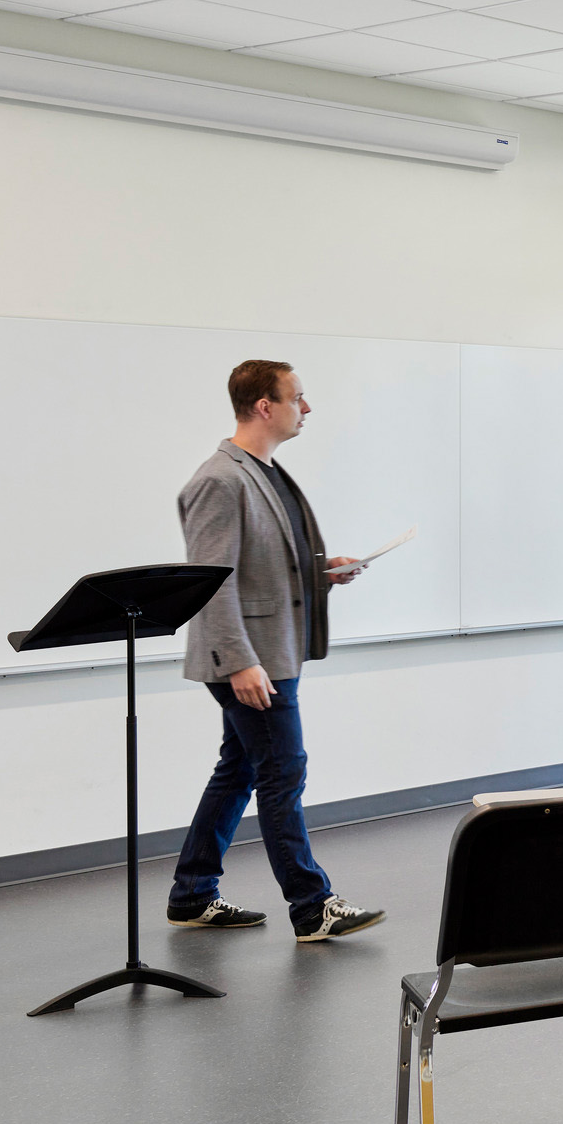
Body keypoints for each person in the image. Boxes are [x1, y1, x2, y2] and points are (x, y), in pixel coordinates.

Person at [165, 359, 385, 943]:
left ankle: (191, 894)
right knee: (283, 772)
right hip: (249, 658)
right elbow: (211, 581)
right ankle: (312, 906)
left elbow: (263, 562)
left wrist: (321, 571)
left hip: (271, 652)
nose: (306, 408)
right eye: (298, 397)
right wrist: (239, 661)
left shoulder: (264, 472)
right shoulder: (221, 479)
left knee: (240, 770)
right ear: (265, 406)